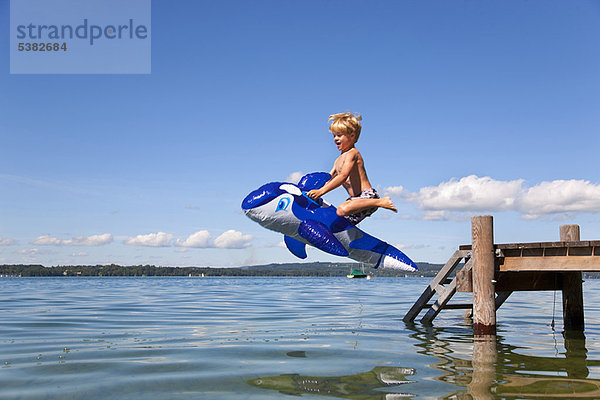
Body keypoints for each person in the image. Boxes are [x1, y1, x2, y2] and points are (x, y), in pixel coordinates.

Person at [307, 112, 397, 225]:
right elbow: (329, 179)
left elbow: (343, 176)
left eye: (339, 135)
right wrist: (313, 192)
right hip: (354, 200)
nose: (335, 139)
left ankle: (381, 201)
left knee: (341, 210)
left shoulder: (352, 154)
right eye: (334, 135)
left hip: (367, 197)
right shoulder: (338, 160)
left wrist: (321, 192)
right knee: (336, 222)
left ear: (352, 136)